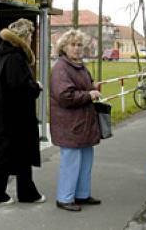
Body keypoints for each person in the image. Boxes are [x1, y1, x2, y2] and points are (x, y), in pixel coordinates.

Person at [0, 18, 46, 204]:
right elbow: (18, 87)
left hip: (9, 115)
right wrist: (36, 87)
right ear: (24, 36)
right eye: (30, 35)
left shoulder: (6, 54)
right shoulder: (15, 57)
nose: (31, 39)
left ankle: (22, 192)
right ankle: (2, 194)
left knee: (14, 154)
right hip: (15, 117)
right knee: (13, 153)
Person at [50, 29, 102, 212]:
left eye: (80, 45)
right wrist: (89, 94)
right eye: (73, 44)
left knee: (86, 161)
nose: (77, 48)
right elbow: (65, 96)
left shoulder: (79, 65)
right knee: (71, 163)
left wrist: (92, 86)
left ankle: (82, 194)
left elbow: (82, 86)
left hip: (84, 124)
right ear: (63, 47)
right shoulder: (61, 68)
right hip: (69, 125)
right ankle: (64, 198)